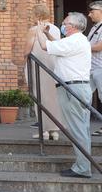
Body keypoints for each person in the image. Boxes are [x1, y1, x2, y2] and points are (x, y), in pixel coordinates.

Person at [36, 12, 92, 178]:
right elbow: (58, 45)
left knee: (77, 129)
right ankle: (83, 165)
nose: (63, 25)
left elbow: (45, 47)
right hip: (77, 87)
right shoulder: (75, 41)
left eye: (65, 23)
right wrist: (47, 33)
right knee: (81, 128)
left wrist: (39, 31)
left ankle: (82, 168)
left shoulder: (75, 41)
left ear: (73, 26)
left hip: (71, 89)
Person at [24, 3, 61, 140]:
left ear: (36, 15)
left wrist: (24, 58)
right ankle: (55, 130)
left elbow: (27, 50)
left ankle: (44, 131)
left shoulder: (34, 29)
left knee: (39, 96)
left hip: (38, 65)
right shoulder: (56, 29)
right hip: (52, 66)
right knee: (52, 97)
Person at [87, 1, 102, 137]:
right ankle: (82, 124)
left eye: (92, 11)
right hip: (91, 68)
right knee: (84, 95)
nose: (89, 14)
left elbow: (99, 46)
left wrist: (82, 47)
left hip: (100, 68)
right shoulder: (95, 27)